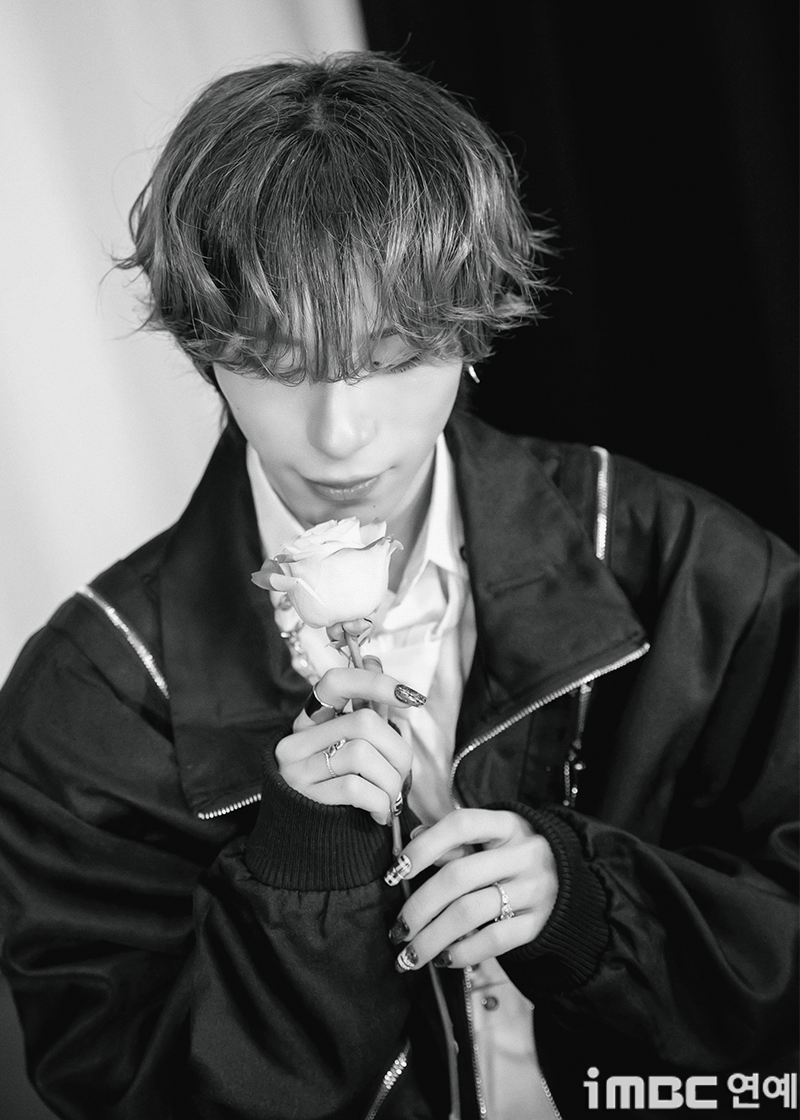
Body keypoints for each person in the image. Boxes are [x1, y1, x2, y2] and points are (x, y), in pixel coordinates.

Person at [0, 52, 796, 1120]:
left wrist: (591, 906)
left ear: (470, 326)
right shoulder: (91, 694)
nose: (340, 434)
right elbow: (120, 1086)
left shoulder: (683, 561)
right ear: (205, 350)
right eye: (277, 362)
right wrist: (302, 874)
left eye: (390, 356)